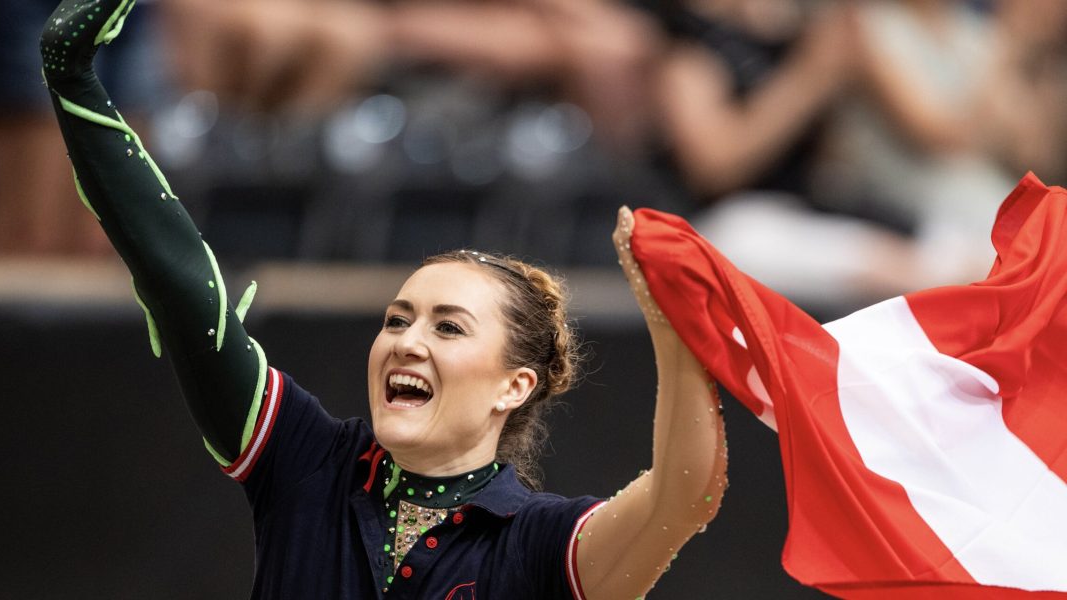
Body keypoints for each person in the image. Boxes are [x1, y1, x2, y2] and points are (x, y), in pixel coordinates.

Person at [40, 1, 726, 598]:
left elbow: (683, 495)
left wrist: (673, 325)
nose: (407, 340)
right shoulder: (308, 462)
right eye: (398, 319)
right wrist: (76, 84)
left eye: (449, 327)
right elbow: (185, 295)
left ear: (515, 385)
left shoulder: (538, 543)